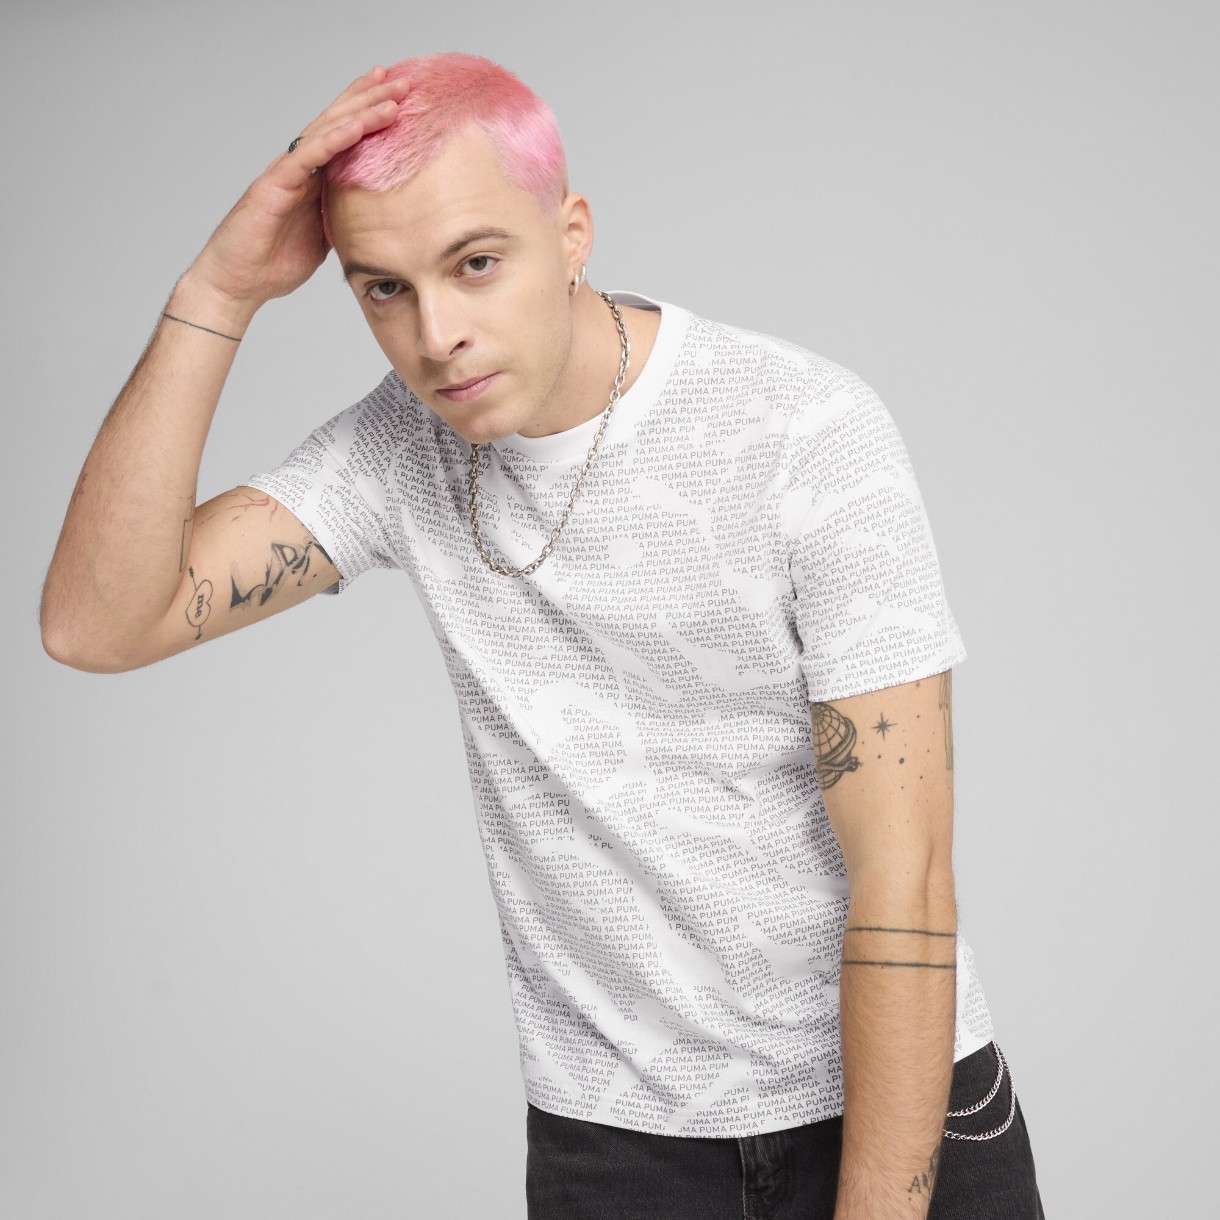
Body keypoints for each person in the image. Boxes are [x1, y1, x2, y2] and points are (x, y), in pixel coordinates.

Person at [41, 53, 1042, 1219]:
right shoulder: (399, 449)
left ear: (570, 235)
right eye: (383, 289)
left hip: (896, 1110)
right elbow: (95, 622)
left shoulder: (801, 431)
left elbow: (904, 875)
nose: (437, 335)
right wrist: (217, 294)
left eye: (475, 263)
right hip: (618, 1144)